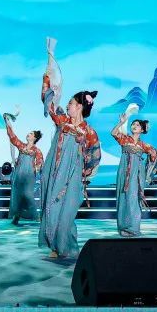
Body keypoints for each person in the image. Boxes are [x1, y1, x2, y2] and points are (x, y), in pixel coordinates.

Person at [39, 37, 102, 259]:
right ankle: (55, 246)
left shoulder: (89, 132)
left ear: (81, 107)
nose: (68, 105)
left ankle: (65, 245)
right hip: (56, 172)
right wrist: (47, 76)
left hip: (73, 177)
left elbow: (95, 155)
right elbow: (49, 103)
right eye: (69, 103)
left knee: (67, 212)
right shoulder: (62, 121)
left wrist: (84, 174)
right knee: (52, 206)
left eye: (72, 104)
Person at [111, 105, 157, 237]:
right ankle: (123, 227)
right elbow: (113, 133)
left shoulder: (143, 145)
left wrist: (148, 168)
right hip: (124, 172)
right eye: (133, 124)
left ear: (142, 130)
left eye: (137, 125)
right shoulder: (124, 139)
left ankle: (133, 227)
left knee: (134, 199)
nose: (134, 126)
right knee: (122, 198)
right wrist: (121, 122)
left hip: (137, 175)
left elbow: (155, 155)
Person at [4, 112, 44, 225]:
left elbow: (40, 161)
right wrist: (7, 122)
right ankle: (16, 217)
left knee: (27, 194)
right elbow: (12, 136)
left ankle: (36, 216)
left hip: (29, 175)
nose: (28, 134)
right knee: (18, 195)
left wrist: (36, 168)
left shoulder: (36, 150)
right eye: (29, 133)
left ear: (34, 138)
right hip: (19, 174)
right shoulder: (21, 145)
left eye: (31, 134)